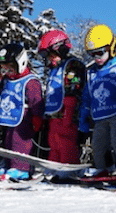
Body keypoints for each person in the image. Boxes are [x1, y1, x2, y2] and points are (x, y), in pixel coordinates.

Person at [0, 43, 44, 180]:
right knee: (8, 141)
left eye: (10, 68)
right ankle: (8, 164)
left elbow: (36, 100)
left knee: (19, 141)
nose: (7, 71)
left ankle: (21, 168)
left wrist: (37, 116)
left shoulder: (30, 81)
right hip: (9, 117)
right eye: (4, 68)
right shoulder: (6, 80)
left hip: (23, 118)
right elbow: (3, 92)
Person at [79, 24, 116, 176]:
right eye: (92, 54)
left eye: (100, 53)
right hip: (99, 116)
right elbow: (87, 96)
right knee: (98, 144)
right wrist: (83, 117)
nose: (97, 58)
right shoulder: (92, 73)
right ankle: (102, 167)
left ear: (111, 48)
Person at [38, 30, 86, 165]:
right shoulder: (53, 70)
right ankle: (53, 165)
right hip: (54, 113)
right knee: (53, 140)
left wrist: (70, 107)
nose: (50, 59)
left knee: (66, 139)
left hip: (67, 113)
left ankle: (68, 163)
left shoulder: (72, 65)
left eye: (52, 55)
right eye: (48, 57)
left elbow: (76, 87)